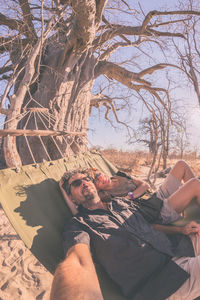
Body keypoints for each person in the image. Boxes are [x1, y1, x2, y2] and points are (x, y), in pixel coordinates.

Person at [50, 167, 200, 300]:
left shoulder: (120, 203)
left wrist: (181, 229)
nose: (84, 183)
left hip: (179, 248)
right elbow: (78, 262)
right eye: (77, 183)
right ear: (70, 197)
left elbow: (151, 226)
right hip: (165, 282)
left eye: (87, 179)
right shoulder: (79, 225)